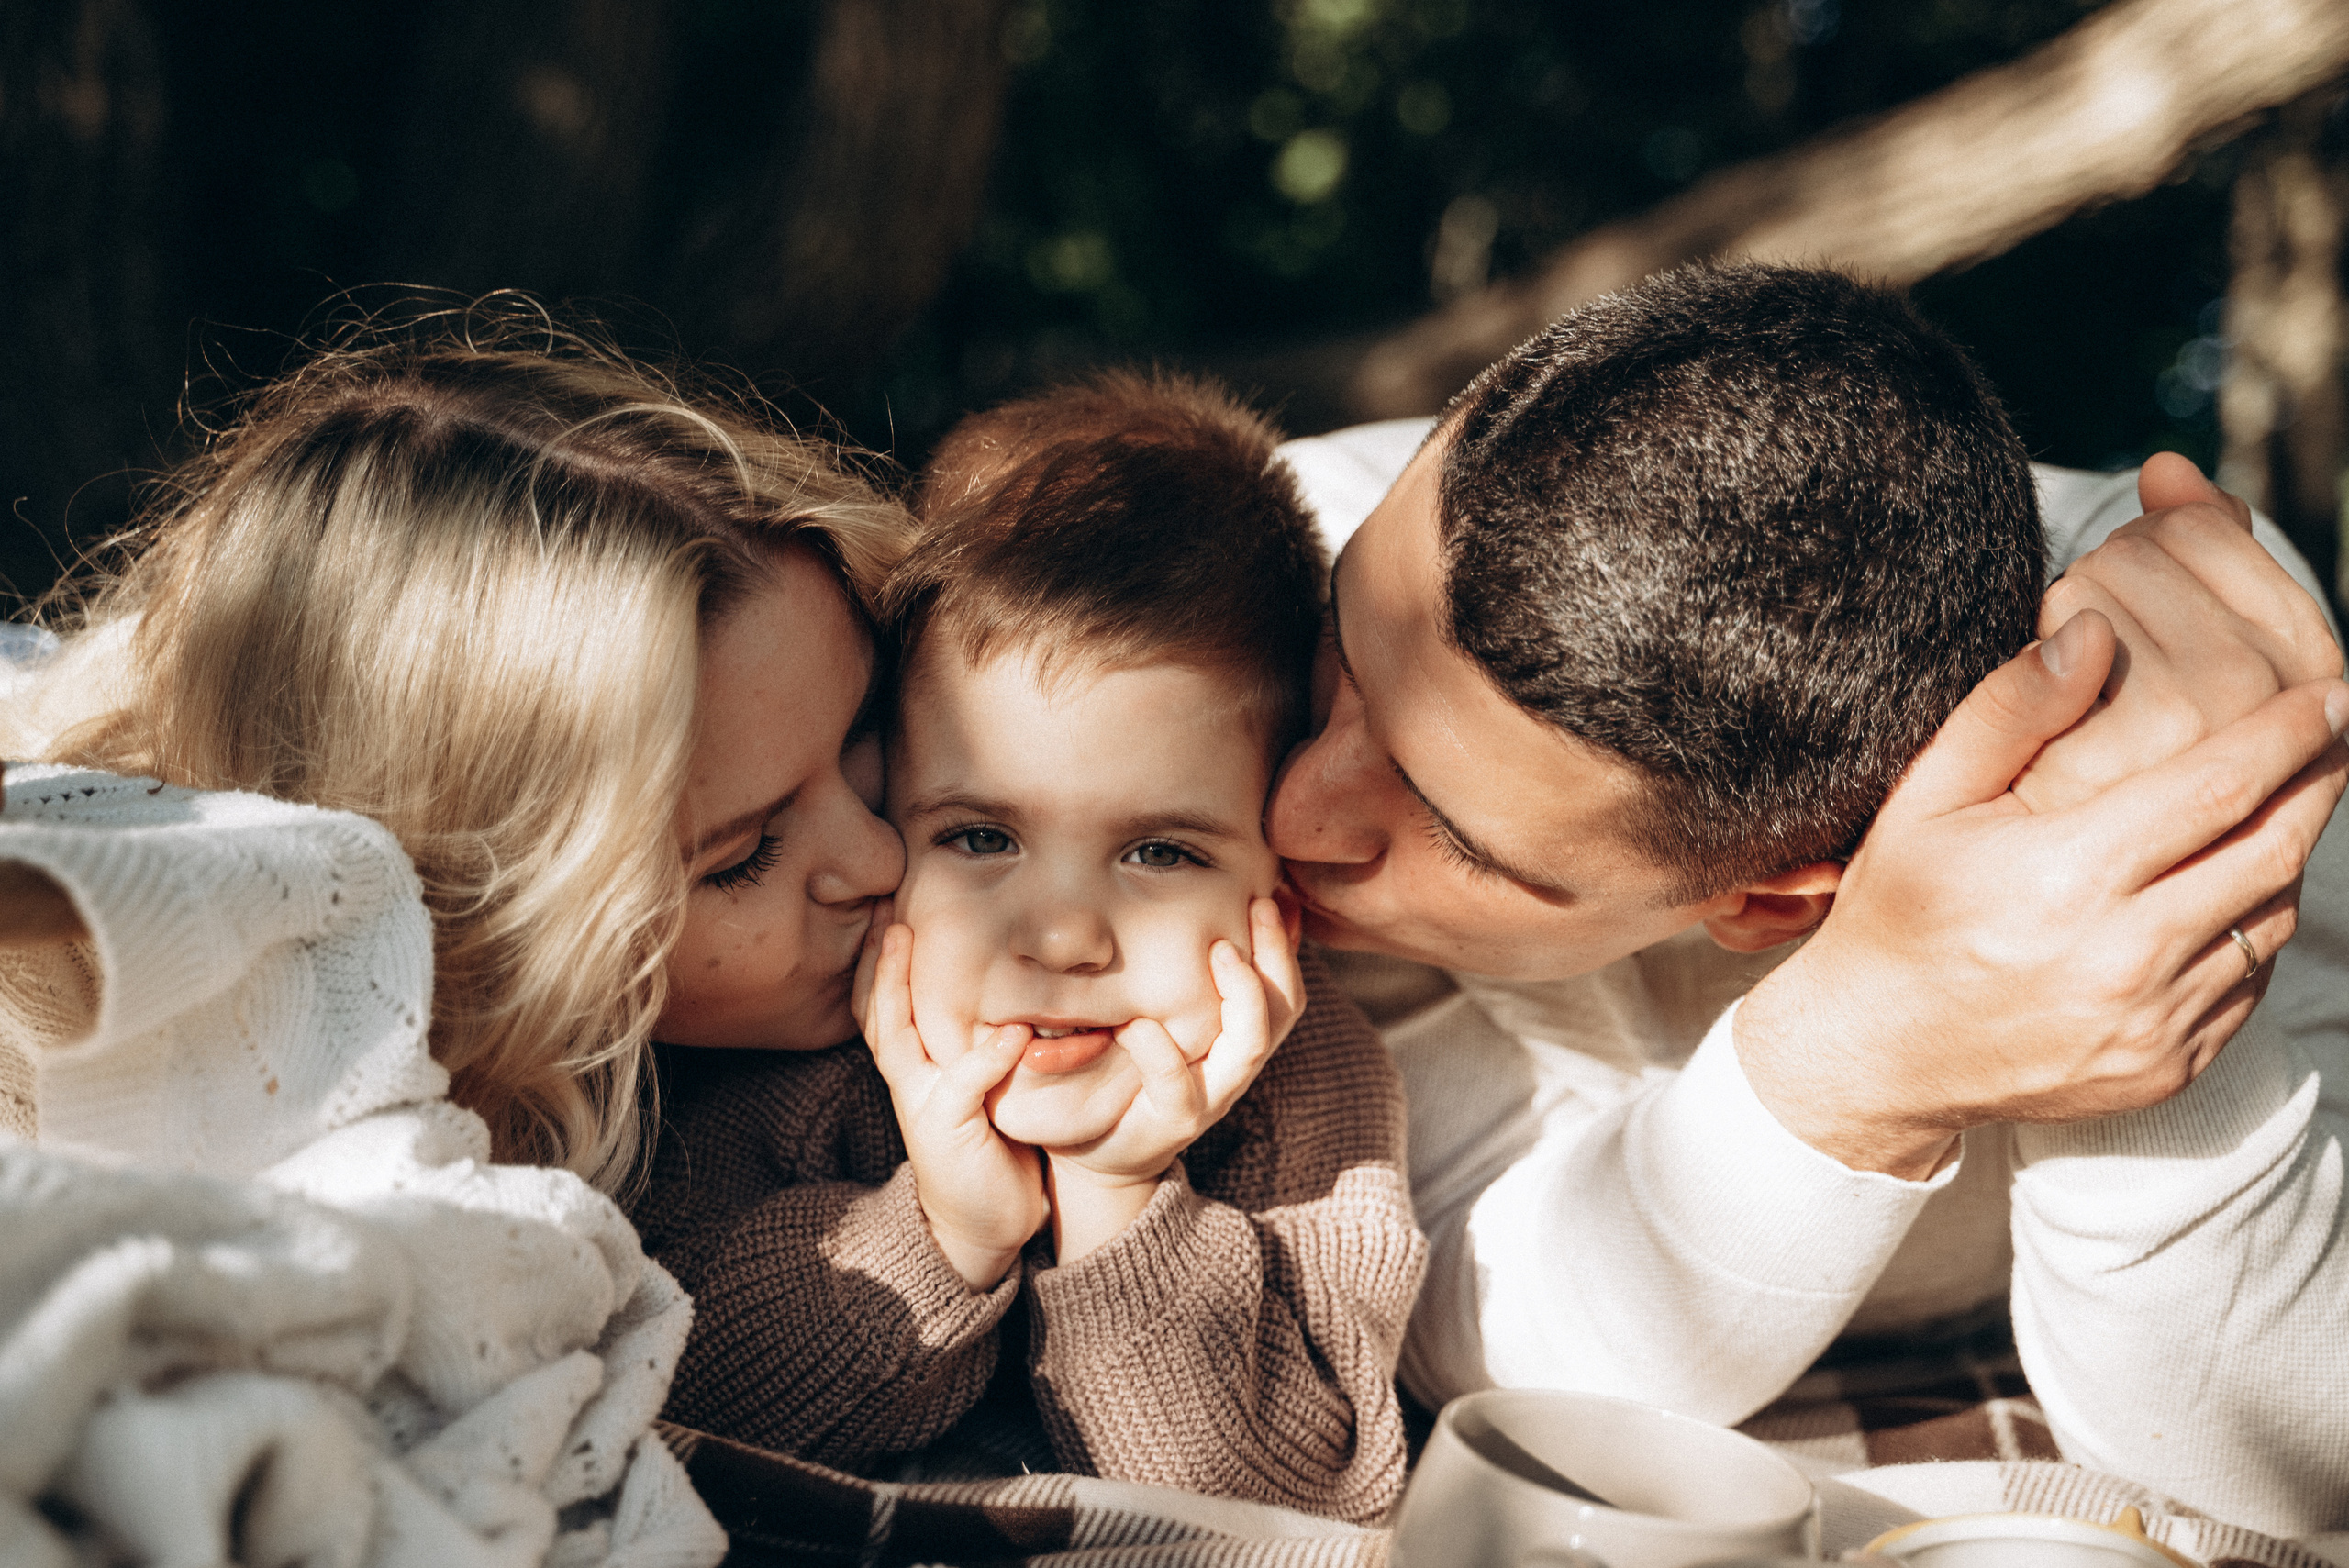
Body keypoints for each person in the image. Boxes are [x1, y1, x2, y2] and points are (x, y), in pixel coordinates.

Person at [1268, 263, 2349, 1533]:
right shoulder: (1254, 555)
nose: (1290, 812)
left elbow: (2278, 1466)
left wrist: (2132, 899)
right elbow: (1455, 1327)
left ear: (1773, 902)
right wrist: (1857, 1056)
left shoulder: (2217, 682)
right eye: (1340, 639)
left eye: (1455, 834)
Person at [0, 311, 920, 1562]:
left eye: (863, 732)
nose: (880, 860)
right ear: (495, 914)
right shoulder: (296, 1099)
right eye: (745, 854)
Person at [634, 373, 1425, 1522]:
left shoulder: (1311, 1099)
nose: (1061, 936)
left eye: (1160, 851)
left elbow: (1309, 1499)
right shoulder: (799, 1046)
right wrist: (941, 1229)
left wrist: (1118, 1198)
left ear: (1278, 889)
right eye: (980, 836)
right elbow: (660, 1378)